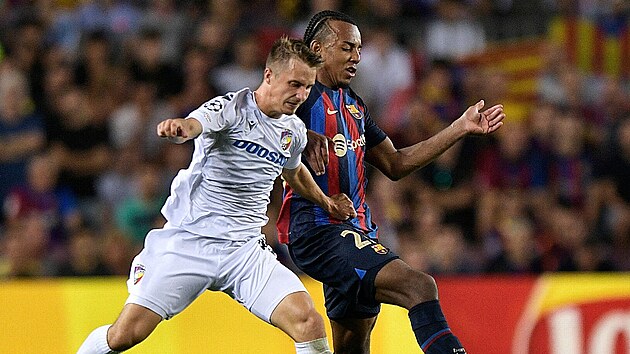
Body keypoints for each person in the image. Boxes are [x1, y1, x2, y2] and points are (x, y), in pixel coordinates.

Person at [77, 36, 358, 354]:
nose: (301, 95)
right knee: (124, 336)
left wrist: (328, 202)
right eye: (294, 84)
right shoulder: (230, 108)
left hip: (244, 252)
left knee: (308, 321)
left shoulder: (292, 131)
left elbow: (292, 172)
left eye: (307, 87)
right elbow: (196, 123)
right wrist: (181, 127)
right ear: (269, 76)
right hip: (191, 244)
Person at [277, 10, 506, 354]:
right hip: (318, 230)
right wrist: (298, 135)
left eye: (358, 48)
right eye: (346, 48)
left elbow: (396, 163)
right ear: (318, 49)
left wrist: (459, 127)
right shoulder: (299, 98)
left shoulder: (354, 105)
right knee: (419, 286)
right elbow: (263, 122)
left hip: (356, 230)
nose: (356, 56)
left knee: (354, 347)